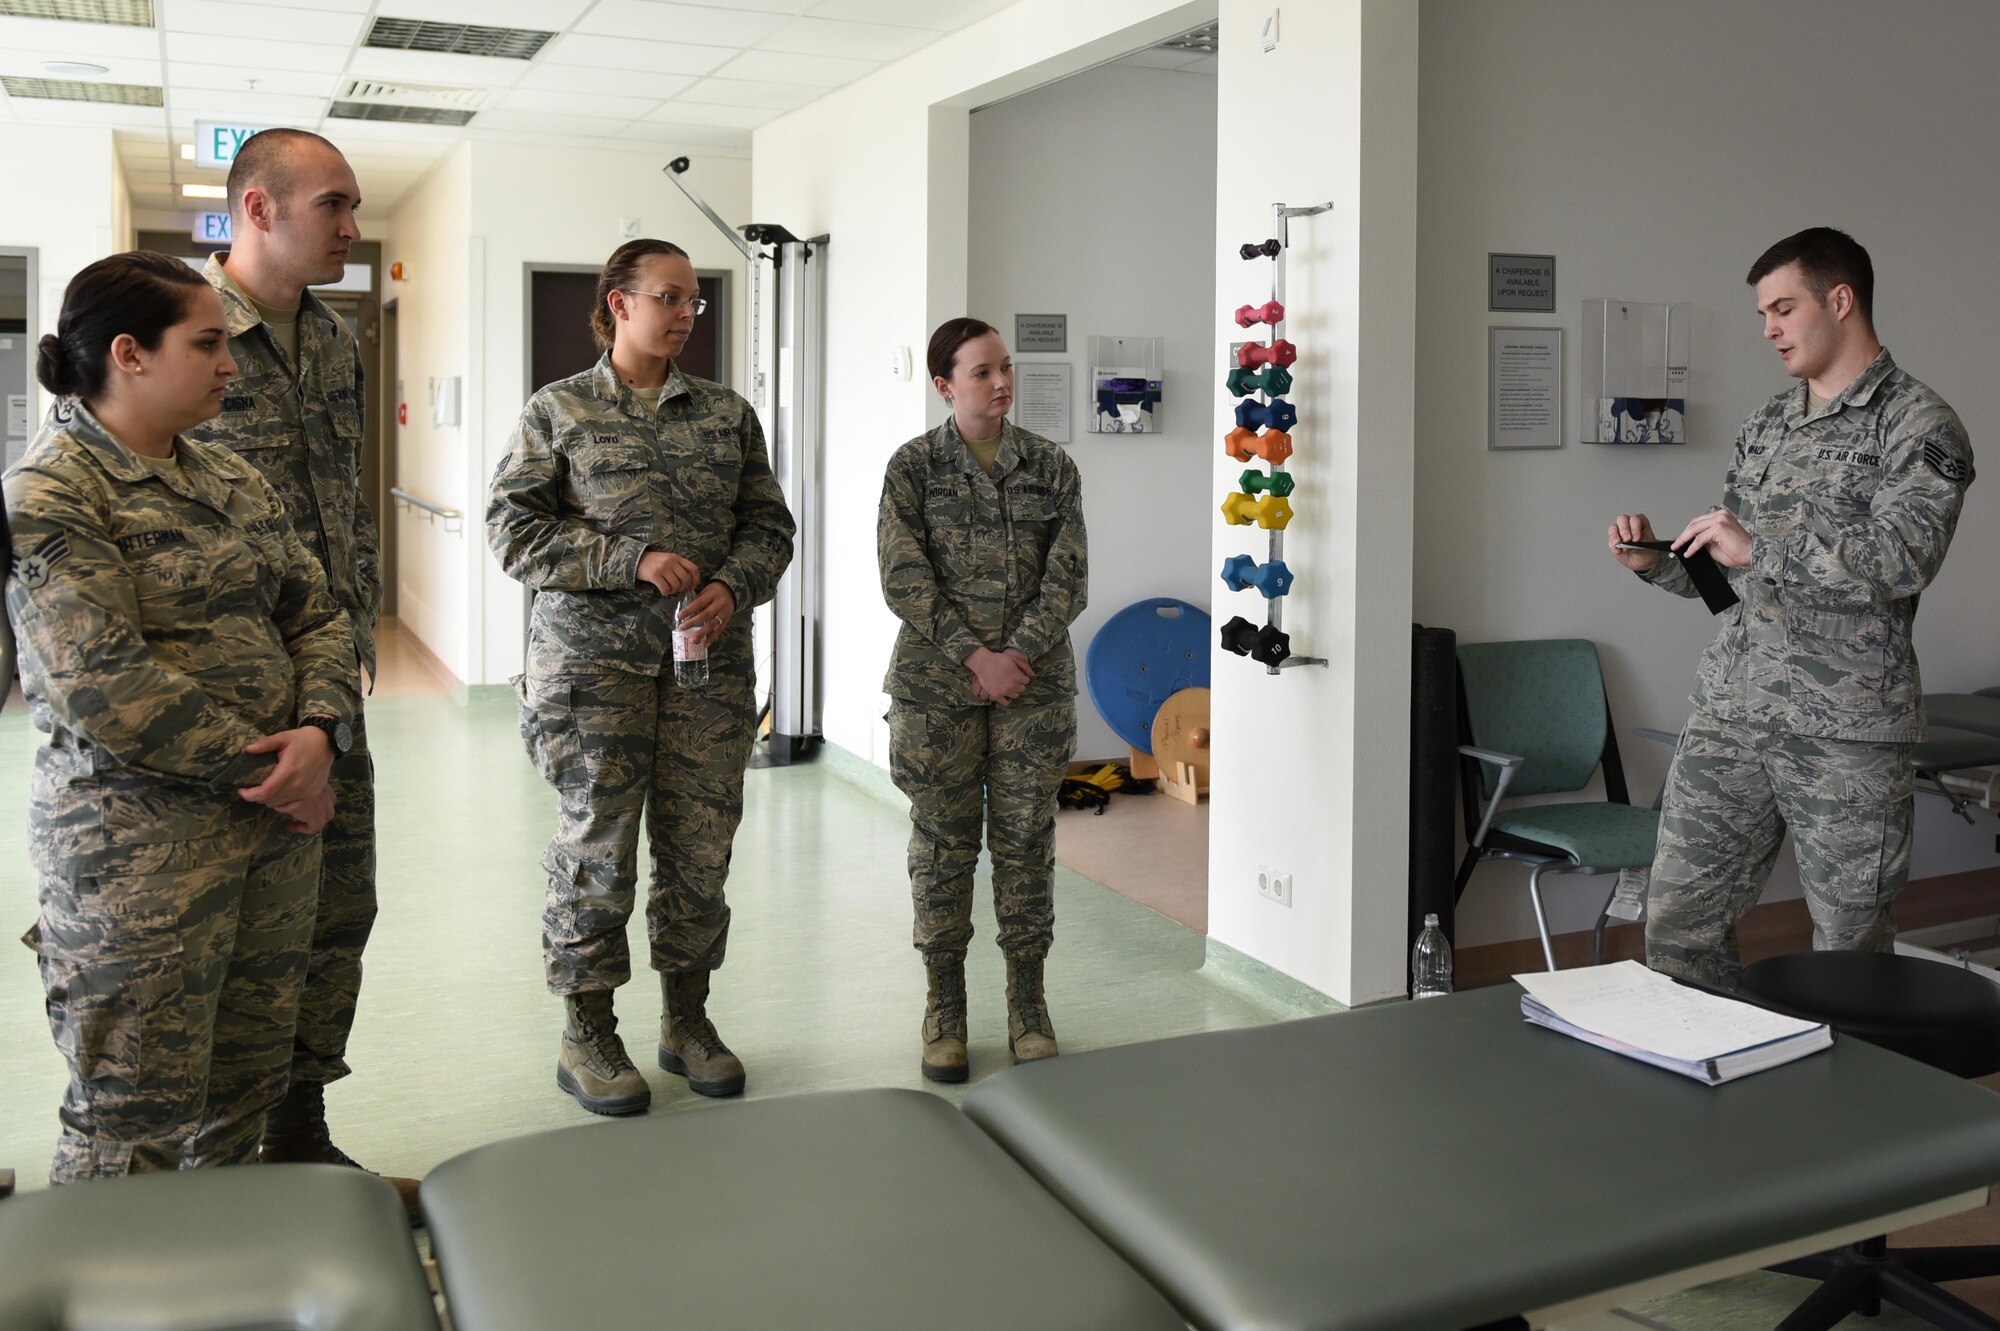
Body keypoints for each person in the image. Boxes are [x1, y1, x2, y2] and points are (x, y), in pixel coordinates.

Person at [4, 251, 357, 1182]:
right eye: (206, 344)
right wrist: (281, 776)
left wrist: (320, 732)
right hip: (140, 861)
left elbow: (316, 611)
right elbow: (102, 682)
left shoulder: (232, 478)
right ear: (129, 352)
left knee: (242, 1086)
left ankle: (220, 1279)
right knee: (132, 1120)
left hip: (269, 844)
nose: (229, 364)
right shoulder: (50, 494)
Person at [1611, 227, 1975, 991]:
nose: (1769, 328)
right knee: (1677, 922)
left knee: (1849, 952)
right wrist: (1660, 565)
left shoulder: (1917, 424)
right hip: (1734, 711)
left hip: (1846, 731)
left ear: (1840, 301)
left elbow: (1905, 558)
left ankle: (1851, 1110)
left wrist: (1763, 551)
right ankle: (1704, 1088)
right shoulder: (1768, 423)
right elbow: (1734, 577)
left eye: (1783, 308)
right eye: (1763, 314)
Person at [487, 238, 795, 1116]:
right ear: (618, 304)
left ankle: (687, 1019)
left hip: (707, 676)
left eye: (695, 300)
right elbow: (512, 531)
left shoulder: (728, 415)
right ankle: (587, 1028)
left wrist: (734, 587)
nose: (686, 314)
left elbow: (769, 527)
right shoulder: (560, 412)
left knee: (700, 852)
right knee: (600, 851)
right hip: (593, 676)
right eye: (669, 297)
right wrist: (629, 559)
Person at [178, 128, 388, 1174]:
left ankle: (299, 1130)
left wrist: (358, 624)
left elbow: (343, 498)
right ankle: (209, 1164)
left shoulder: (335, 338)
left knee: (335, 908)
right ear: (257, 209)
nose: (352, 228)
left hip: (327, 679)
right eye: (333, 206)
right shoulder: (181, 331)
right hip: (221, 695)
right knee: (227, 932)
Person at [877, 318, 1087, 1083]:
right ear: (944, 384)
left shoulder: (1051, 466)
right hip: (939, 689)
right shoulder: (911, 470)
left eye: (1007, 369)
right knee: (942, 845)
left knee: (1026, 841)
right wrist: (974, 655)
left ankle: (1028, 1003)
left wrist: (1015, 655)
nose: (1001, 383)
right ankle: (945, 1007)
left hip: (1032, 689)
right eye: (981, 372)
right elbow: (903, 575)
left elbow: (1068, 574)